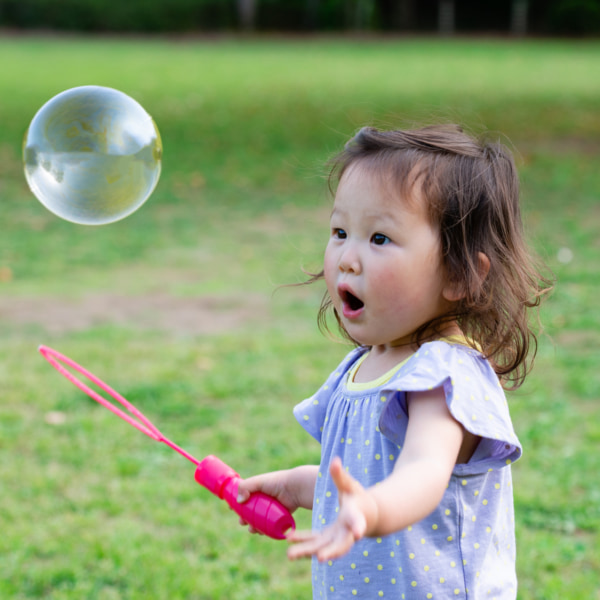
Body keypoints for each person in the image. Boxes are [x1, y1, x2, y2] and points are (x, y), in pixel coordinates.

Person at [237, 124, 552, 599]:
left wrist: (371, 509)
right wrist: (301, 486)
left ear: (460, 273)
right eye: (340, 232)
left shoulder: (443, 375)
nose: (347, 258)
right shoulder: (363, 366)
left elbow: (423, 472)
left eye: (379, 238)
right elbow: (369, 476)